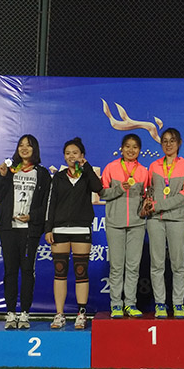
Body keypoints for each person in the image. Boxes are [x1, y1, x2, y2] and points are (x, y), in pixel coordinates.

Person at [0, 134, 52, 330]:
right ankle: (10, 313)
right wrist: (2, 176)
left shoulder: (42, 174)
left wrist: (32, 216)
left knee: (27, 271)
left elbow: (47, 204)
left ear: (35, 149)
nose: (24, 148)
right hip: (8, 228)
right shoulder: (10, 170)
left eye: (29, 145)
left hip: (29, 230)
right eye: (21, 145)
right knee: (10, 270)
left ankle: (25, 313)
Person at [45, 137, 102, 329]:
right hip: (59, 229)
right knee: (60, 272)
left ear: (82, 155)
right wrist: (48, 228)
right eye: (68, 153)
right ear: (64, 156)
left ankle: (81, 314)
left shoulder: (86, 175)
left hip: (81, 229)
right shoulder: (59, 177)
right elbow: (51, 203)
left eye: (75, 153)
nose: (71, 156)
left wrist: (87, 167)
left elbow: (98, 188)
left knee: (81, 272)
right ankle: (59, 314)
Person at [142, 128, 184, 319]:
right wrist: (147, 203)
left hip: (176, 219)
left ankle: (178, 304)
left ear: (179, 143)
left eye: (172, 140)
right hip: (155, 220)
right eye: (164, 140)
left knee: (178, 264)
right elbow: (148, 190)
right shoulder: (154, 165)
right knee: (156, 264)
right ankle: (160, 304)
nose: (168, 144)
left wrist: (158, 205)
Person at [99, 134, 149, 318]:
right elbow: (103, 193)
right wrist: (120, 188)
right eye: (127, 146)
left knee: (133, 266)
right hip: (115, 223)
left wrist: (146, 206)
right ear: (121, 148)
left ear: (139, 150)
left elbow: (146, 196)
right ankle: (116, 304)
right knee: (116, 266)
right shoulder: (111, 168)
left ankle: (130, 304)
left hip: (137, 224)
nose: (131, 150)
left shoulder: (143, 171)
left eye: (135, 147)